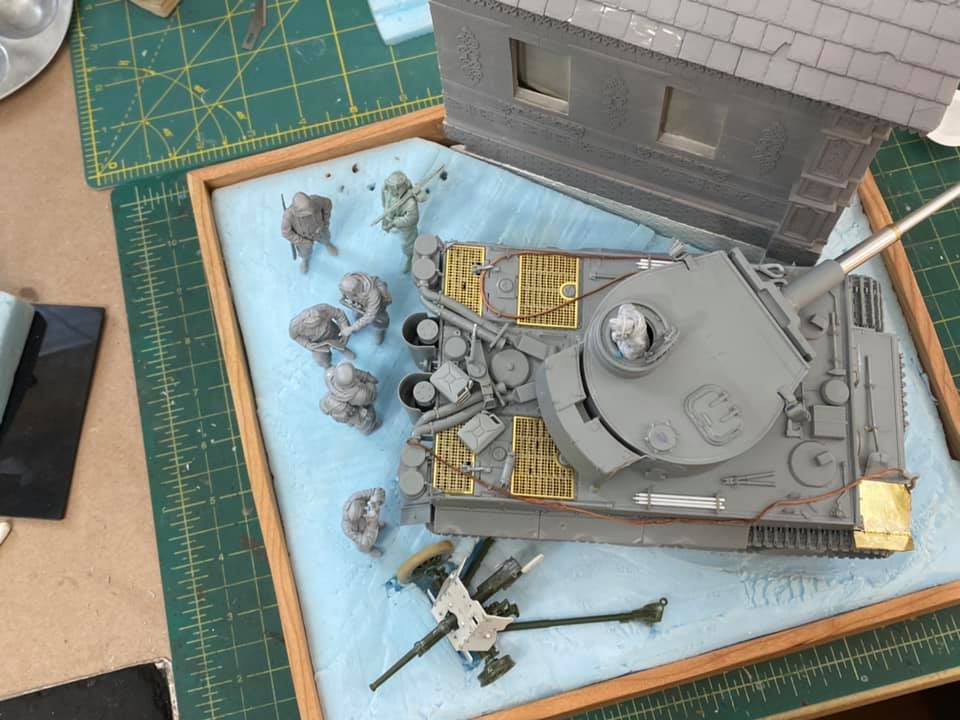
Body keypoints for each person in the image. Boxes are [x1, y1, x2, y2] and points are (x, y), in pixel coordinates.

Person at [281, 192, 336, 273]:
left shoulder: (316, 201)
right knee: (305, 252)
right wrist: (302, 241)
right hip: (303, 238)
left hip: (320, 230)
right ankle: (305, 260)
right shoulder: (288, 216)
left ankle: (328, 244)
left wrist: (325, 222)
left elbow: (328, 204)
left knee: (326, 238)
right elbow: (286, 233)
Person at [320, 361, 380, 435]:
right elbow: (372, 397)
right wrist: (371, 383)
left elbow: (353, 372)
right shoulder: (359, 394)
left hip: (335, 406)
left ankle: (350, 423)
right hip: (350, 411)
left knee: (350, 419)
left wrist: (366, 376)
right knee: (362, 421)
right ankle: (368, 429)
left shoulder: (329, 374)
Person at [289, 304, 354, 368]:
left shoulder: (324, 308)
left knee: (343, 339)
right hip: (318, 343)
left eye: (319, 322)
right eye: (315, 325)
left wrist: (344, 327)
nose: (319, 326)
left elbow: (339, 314)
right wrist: (307, 344)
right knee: (320, 359)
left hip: (332, 332)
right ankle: (328, 366)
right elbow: (295, 337)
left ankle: (342, 348)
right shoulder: (295, 326)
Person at [380, 172, 421, 273]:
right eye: (390, 186)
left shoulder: (410, 202)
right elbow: (385, 201)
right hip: (392, 215)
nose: (391, 190)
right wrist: (387, 218)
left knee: (407, 244)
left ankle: (411, 257)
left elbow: (412, 219)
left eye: (393, 188)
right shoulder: (386, 189)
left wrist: (395, 222)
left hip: (406, 225)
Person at [339, 272, 391, 345]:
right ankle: (360, 322)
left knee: (381, 319)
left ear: (354, 291)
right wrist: (348, 299)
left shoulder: (373, 294)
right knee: (359, 315)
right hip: (361, 304)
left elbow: (370, 316)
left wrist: (351, 328)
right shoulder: (347, 282)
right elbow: (344, 293)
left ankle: (381, 330)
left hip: (377, 307)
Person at [341, 487, 386, 556]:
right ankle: (369, 551)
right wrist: (373, 522)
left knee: (374, 516)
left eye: (362, 506)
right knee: (364, 546)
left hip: (370, 522)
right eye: (362, 514)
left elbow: (378, 491)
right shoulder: (347, 529)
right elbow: (364, 542)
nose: (366, 510)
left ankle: (376, 525)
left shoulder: (356, 497)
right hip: (364, 533)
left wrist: (375, 502)